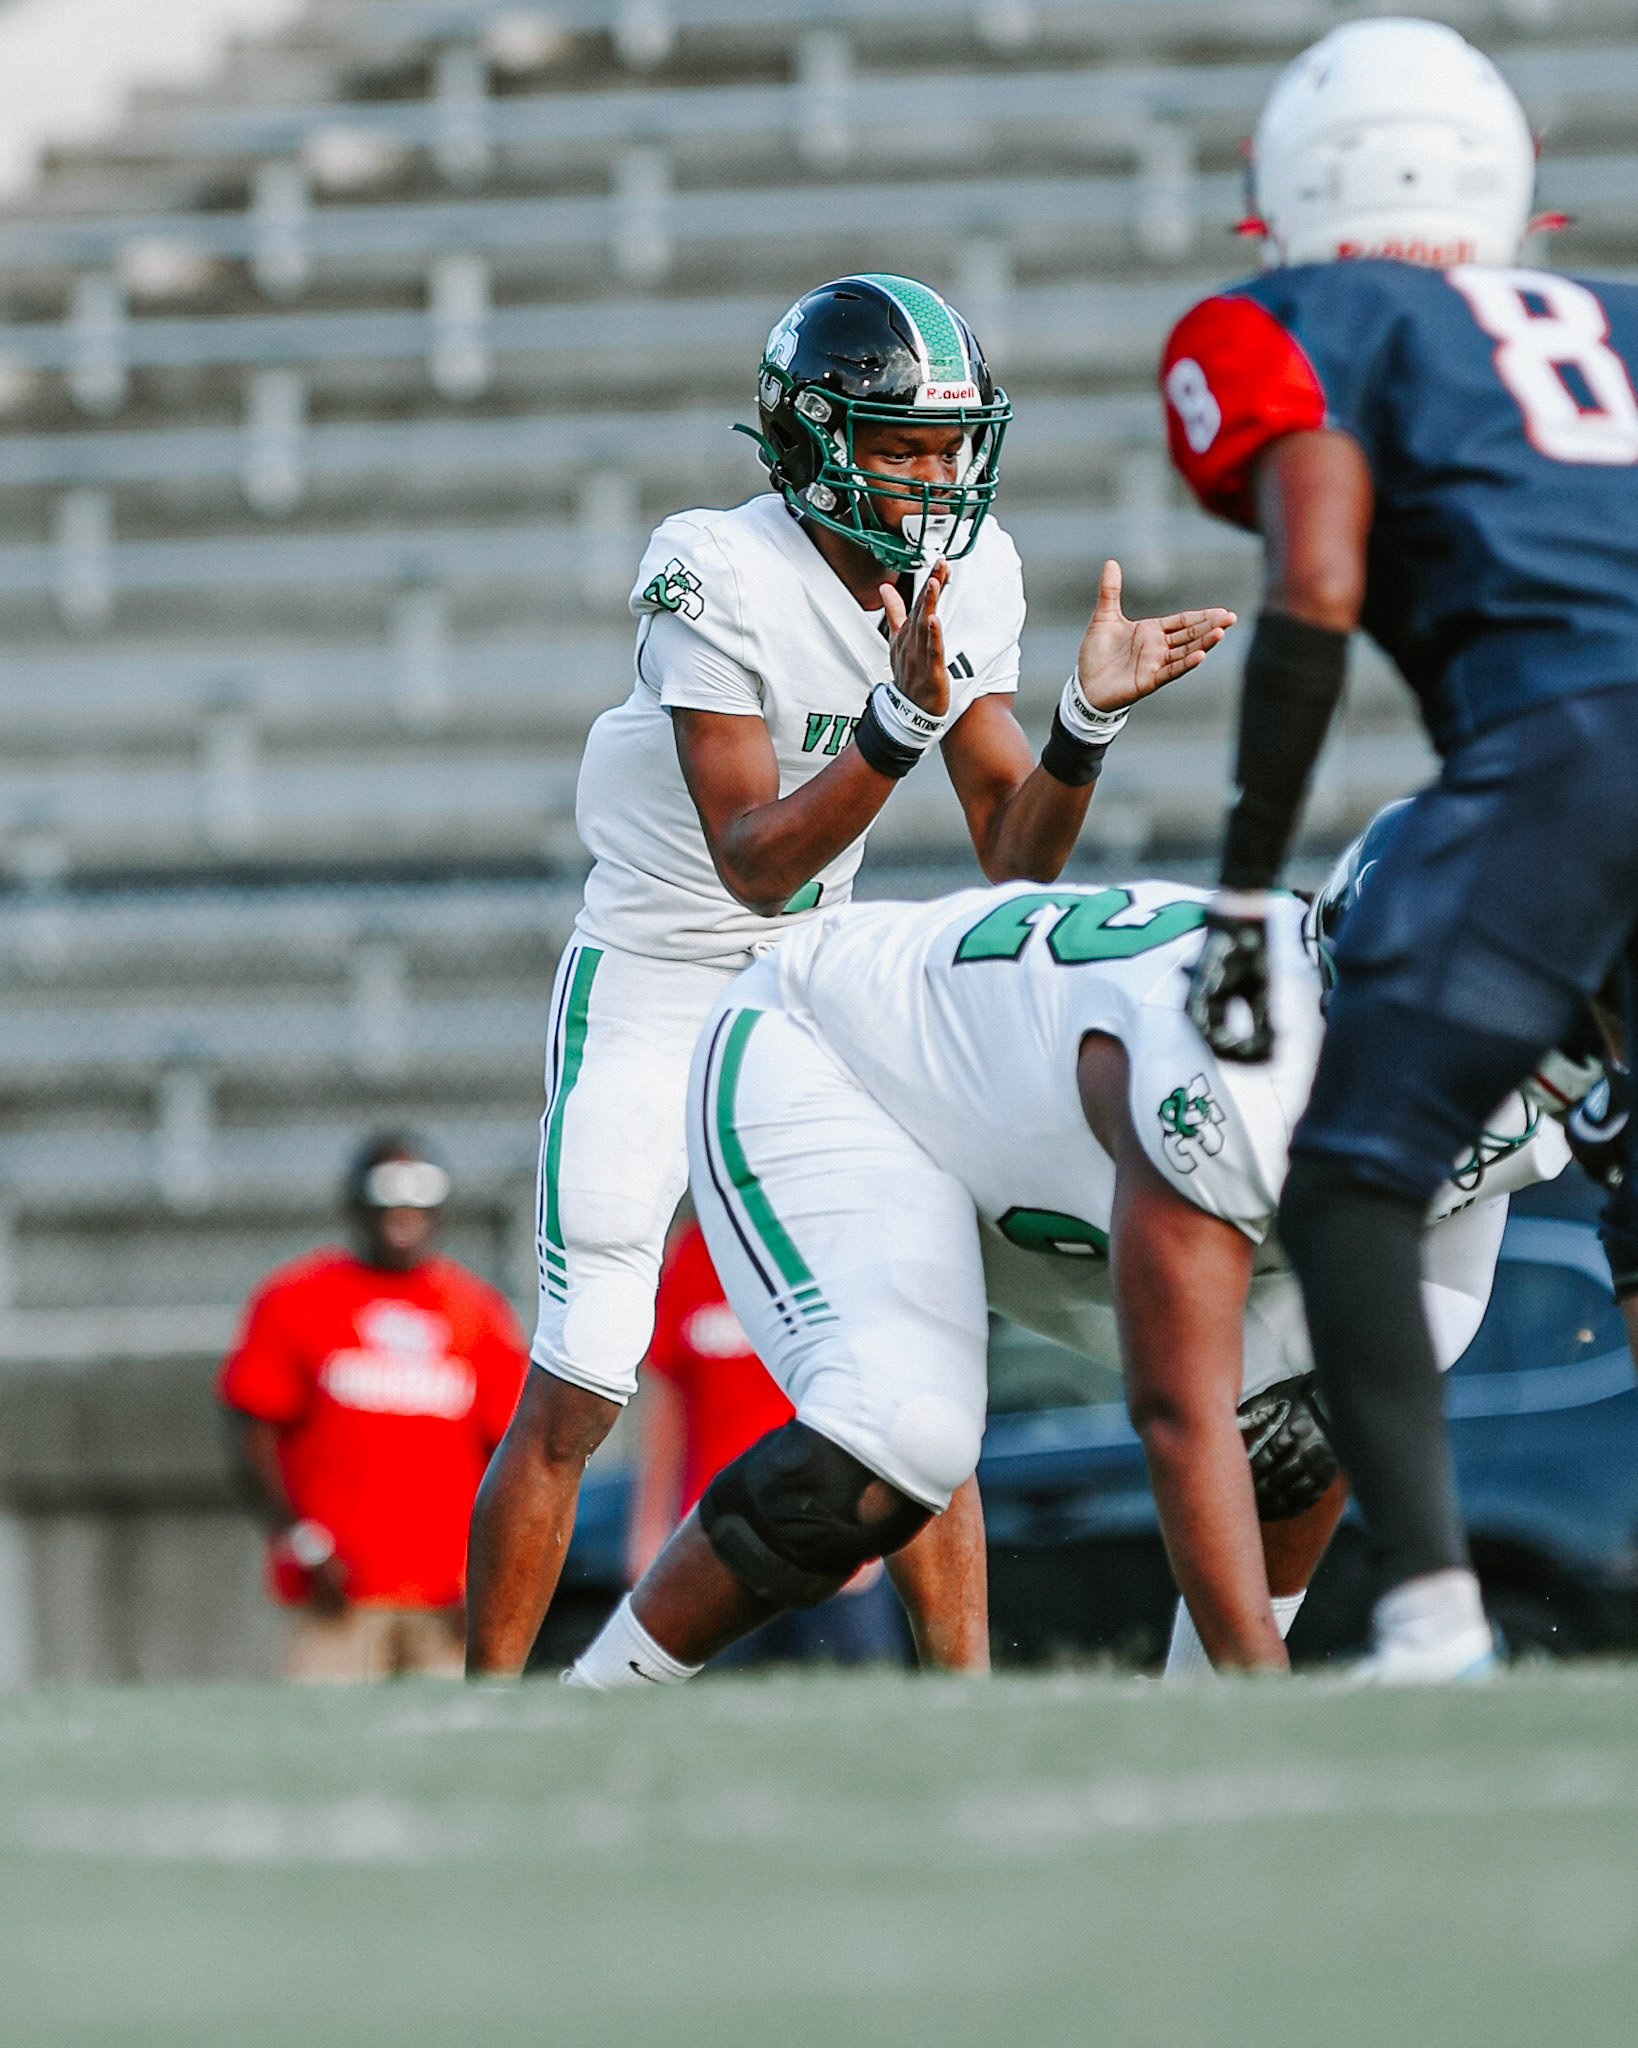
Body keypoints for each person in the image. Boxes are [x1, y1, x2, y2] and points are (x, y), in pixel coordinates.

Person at [465, 271, 1235, 1676]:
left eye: (950, 448)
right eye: (903, 447)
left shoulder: (971, 570)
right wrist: (893, 723)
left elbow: (1012, 848)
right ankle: (482, 1721)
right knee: (583, 1376)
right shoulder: (715, 564)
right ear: (811, 440)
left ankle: (964, 1706)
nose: (936, 479)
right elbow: (749, 857)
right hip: (653, 968)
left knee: (909, 1365)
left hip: (808, 988)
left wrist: (1081, 722)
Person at [562, 859, 1566, 1690]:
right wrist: (1266, 1704)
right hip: (833, 1057)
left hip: (1048, 1167)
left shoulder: (1538, 1082)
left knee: (1327, 1401)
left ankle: (1192, 1729)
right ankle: (596, 1703)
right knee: (897, 1433)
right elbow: (1180, 1412)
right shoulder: (1228, 1072)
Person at [1160, 15, 1638, 1680]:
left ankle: (1431, 1615)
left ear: (1293, 190)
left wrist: (1242, 880)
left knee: (1355, 1185)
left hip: (1564, 747)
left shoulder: (1307, 317)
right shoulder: (1616, 320)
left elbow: (1314, 582)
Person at [220, 1134, 529, 1682]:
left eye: (418, 1199)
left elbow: (513, 1455)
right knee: (322, 1732)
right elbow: (251, 1432)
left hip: (446, 1599)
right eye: (388, 1198)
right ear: (355, 1205)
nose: (403, 1215)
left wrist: (488, 1574)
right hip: (337, 1595)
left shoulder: (478, 1312)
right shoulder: (295, 1299)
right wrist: (301, 1545)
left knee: (451, 1733)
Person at [631, 1215, 912, 1666]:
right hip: (717, 1543)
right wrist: (648, 1532)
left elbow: (880, 1388)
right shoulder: (693, 1253)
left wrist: (874, 1521)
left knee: (856, 1697)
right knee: (720, 1702)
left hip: (832, 1539)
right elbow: (668, 1406)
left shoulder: (829, 1243)